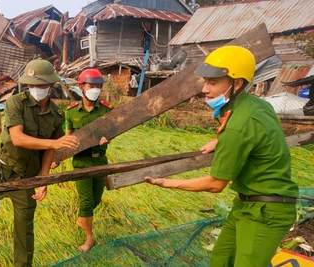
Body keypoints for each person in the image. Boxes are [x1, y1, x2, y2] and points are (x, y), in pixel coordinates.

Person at [145, 46, 299, 267]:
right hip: (245, 203)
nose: (205, 89)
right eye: (205, 81)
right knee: (221, 259)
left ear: (236, 84)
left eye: (213, 83)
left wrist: (167, 182)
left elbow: (216, 184)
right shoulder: (254, 105)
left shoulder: (239, 125)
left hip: (267, 211)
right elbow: (254, 133)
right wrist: (219, 140)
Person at [0, 59, 80, 267]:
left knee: (24, 228)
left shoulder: (56, 114)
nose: (35, 89)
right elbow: (17, 138)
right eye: (31, 84)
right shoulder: (15, 102)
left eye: (40, 85)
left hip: (27, 177)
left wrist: (43, 180)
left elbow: (48, 152)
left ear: (51, 86)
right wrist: (55, 142)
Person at [66, 69, 113, 252]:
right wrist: (57, 158)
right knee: (86, 201)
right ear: (81, 87)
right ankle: (89, 239)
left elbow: (113, 131)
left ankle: (82, 219)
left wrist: (108, 138)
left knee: (97, 198)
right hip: (81, 162)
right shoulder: (71, 112)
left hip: (100, 160)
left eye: (98, 86)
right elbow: (67, 137)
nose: (95, 89)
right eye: (91, 85)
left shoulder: (107, 110)